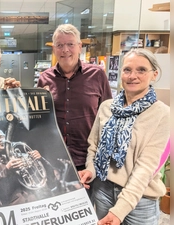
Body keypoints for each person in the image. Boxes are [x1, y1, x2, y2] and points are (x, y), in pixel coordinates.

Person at [79, 48, 170, 225]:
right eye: (127, 70)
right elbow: (94, 147)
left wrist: (121, 209)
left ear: (154, 74)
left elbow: (146, 167)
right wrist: (91, 169)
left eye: (141, 70)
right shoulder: (107, 107)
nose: (132, 76)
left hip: (141, 198)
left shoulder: (163, 114)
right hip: (103, 189)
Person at [37, 24, 112, 199]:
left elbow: (108, 116)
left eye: (70, 44)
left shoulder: (98, 75)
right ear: (54, 49)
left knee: (86, 210)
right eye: (60, 45)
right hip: (54, 160)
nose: (65, 50)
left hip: (88, 161)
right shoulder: (44, 79)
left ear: (79, 47)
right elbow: (39, 119)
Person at [0, 129, 56, 207]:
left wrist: (41, 160)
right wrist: (7, 170)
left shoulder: (25, 156)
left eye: (1, 136)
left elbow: (52, 177)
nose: (0, 140)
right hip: (18, 207)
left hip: (42, 200)